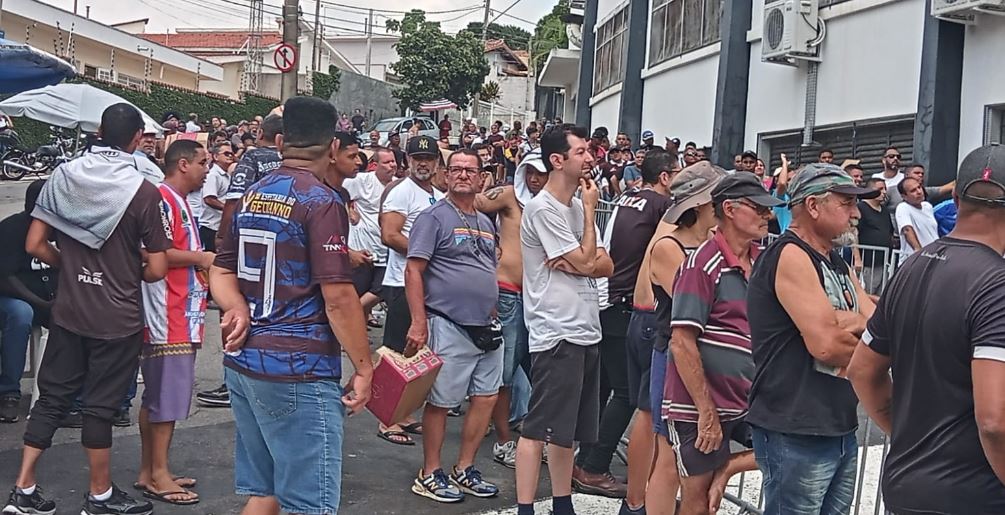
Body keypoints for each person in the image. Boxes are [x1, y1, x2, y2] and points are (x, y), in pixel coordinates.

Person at [4, 103, 170, 515]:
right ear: (136, 140)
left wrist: (70, 264)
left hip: (69, 310)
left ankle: (23, 490)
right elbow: (158, 268)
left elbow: (35, 245)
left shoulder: (63, 177)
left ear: (99, 131)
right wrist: (128, 271)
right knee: (100, 406)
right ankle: (99, 495)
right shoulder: (143, 191)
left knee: (51, 399)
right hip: (116, 317)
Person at [210, 99, 373, 515]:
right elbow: (338, 297)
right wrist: (364, 366)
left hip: (244, 362)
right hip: (298, 368)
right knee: (309, 503)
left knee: (265, 492)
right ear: (332, 147)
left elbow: (221, 268)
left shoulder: (250, 193)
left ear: (281, 142)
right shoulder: (322, 200)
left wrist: (235, 307)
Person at [848, 143, 1005, 514]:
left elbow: (861, 371)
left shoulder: (912, 267)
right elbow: (995, 420)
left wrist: (909, 436)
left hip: (907, 484)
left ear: (958, 202)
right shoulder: (996, 285)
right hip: (973, 494)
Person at [746, 164, 878, 515]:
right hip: (795, 426)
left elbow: (880, 324)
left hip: (836, 424)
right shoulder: (791, 254)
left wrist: (851, 322)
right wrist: (855, 329)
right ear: (814, 206)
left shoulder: (835, 261)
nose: (856, 213)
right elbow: (828, 346)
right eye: (846, 203)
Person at [663, 173, 782, 515]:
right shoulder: (701, 265)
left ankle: (728, 467)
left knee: (790, 450)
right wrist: (706, 412)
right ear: (729, 209)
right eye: (758, 208)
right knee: (697, 501)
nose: (767, 215)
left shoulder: (763, 261)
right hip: (698, 406)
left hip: (749, 400)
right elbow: (682, 342)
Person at [515, 125, 613, 515]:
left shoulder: (574, 206)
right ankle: (526, 506)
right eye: (582, 152)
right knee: (538, 426)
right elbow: (590, 259)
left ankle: (561, 502)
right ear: (558, 160)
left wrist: (580, 263)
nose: (590, 158)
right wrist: (589, 214)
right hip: (557, 331)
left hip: (586, 328)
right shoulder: (544, 208)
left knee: (567, 431)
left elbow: (604, 264)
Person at [574, 149, 674, 500]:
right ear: (664, 177)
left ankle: (585, 457)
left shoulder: (627, 196)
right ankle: (593, 466)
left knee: (604, 385)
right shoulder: (662, 207)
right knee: (629, 393)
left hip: (607, 298)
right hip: (626, 303)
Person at [627, 161, 725, 515]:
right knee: (668, 455)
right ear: (700, 205)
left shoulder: (712, 243)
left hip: (702, 356)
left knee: (694, 458)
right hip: (671, 354)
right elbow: (697, 306)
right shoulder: (668, 246)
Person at [406, 148, 502, 503]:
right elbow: (414, 269)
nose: (463, 175)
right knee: (442, 402)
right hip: (447, 323)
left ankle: (465, 467)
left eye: (470, 170)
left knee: (486, 397)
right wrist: (419, 322)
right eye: (456, 169)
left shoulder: (486, 222)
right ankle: (430, 471)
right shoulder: (433, 218)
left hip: (487, 327)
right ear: (445, 176)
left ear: (481, 179)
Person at [134, 139, 214, 506]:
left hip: (181, 308)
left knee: (158, 395)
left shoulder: (177, 200)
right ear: (183, 164)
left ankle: (151, 469)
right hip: (169, 310)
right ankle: (158, 473)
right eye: (202, 162)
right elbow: (158, 252)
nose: (207, 168)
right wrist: (202, 257)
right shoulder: (164, 198)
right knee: (166, 396)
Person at [195, 114, 283, 408]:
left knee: (233, 307)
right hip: (281, 248)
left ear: (260, 134)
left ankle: (231, 380)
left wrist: (223, 240)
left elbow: (234, 201)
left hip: (248, 245)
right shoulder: (292, 163)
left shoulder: (253, 159)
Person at [475, 149, 550, 468]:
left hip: (541, 298)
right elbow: (473, 203)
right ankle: (503, 440)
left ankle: (534, 435)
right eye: (529, 172)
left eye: (541, 173)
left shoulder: (558, 204)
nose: (534, 178)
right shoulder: (509, 197)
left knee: (543, 371)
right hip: (507, 293)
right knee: (502, 371)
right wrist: (482, 244)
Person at [377, 135, 445, 439]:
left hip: (425, 283)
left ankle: (401, 414)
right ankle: (385, 420)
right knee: (395, 351)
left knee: (413, 354)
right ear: (408, 160)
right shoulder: (401, 192)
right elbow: (389, 235)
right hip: (401, 280)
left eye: (429, 158)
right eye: (417, 158)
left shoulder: (437, 195)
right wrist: (425, 254)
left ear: (437, 163)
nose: (423, 163)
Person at [0, 181, 52, 424]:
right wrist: (41, 303)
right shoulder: (12, 228)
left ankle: (72, 395)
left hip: (49, 300)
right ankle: (9, 391)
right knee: (21, 314)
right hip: (14, 299)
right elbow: (6, 278)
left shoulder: (61, 229)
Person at [345, 148, 395, 334]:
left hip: (386, 250)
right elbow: (337, 193)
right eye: (387, 162)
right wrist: (349, 210)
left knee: (381, 289)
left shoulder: (397, 186)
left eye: (393, 161)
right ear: (376, 165)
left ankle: (351, 317)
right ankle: (353, 333)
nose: (392, 165)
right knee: (362, 291)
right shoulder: (362, 181)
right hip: (362, 248)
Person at [856, 177, 894, 295]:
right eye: (880, 189)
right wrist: (857, 258)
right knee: (867, 293)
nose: (884, 192)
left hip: (884, 261)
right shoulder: (861, 208)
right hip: (868, 262)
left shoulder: (885, 210)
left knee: (881, 294)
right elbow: (854, 233)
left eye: (885, 189)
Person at [198, 143, 234, 253]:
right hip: (211, 227)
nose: (230, 156)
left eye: (231, 153)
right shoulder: (213, 175)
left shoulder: (227, 175)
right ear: (216, 157)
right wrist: (229, 209)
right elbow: (209, 199)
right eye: (226, 153)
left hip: (220, 226)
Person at [894, 177, 939, 264]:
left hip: (932, 258)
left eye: (919, 187)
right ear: (904, 196)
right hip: (913, 260)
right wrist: (918, 251)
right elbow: (907, 230)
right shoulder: (903, 207)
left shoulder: (927, 206)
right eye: (913, 190)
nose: (919, 192)